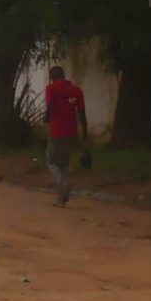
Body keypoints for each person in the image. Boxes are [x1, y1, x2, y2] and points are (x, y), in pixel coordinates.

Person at [42, 63, 90, 207]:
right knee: (63, 163)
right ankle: (61, 199)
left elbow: (50, 106)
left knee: (51, 161)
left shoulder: (51, 89)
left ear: (52, 77)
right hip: (71, 132)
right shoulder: (76, 90)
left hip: (57, 132)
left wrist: (46, 117)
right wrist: (85, 134)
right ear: (63, 75)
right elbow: (82, 114)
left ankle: (63, 183)